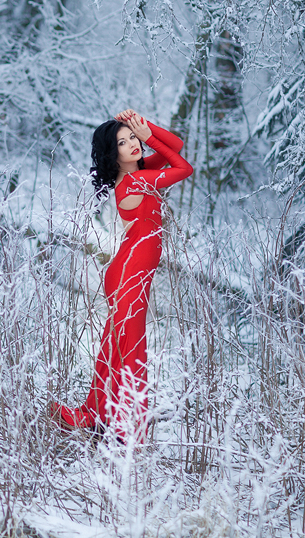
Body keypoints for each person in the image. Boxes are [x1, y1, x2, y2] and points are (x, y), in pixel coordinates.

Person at [49, 110, 192, 442]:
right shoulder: (138, 180)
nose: (132, 145)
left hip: (128, 271)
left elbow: (178, 145)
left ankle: (94, 415)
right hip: (129, 273)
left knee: (115, 346)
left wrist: (147, 129)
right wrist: (149, 137)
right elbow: (184, 167)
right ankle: (131, 432)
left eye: (133, 139)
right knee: (132, 351)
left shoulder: (141, 172)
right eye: (123, 142)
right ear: (113, 155)